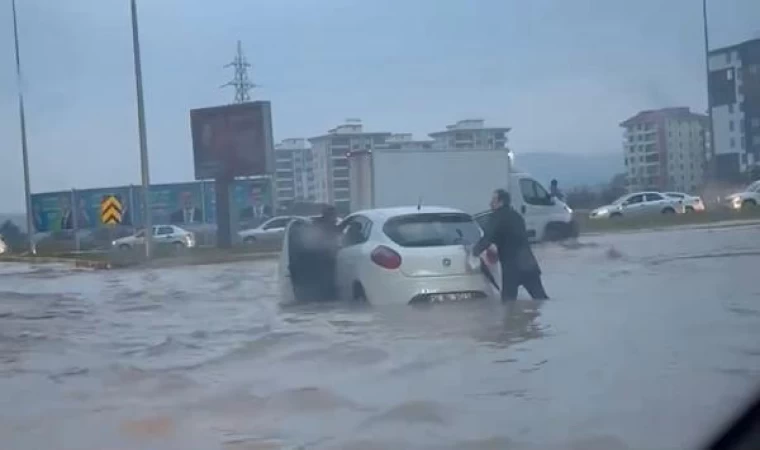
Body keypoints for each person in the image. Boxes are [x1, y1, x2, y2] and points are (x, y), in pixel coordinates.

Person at [472, 189, 549, 301]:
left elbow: (488, 237)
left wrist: (474, 251)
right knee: (541, 299)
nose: (490, 203)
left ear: (501, 202)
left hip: (512, 267)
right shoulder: (516, 215)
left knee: (508, 304)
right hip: (529, 264)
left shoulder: (497, 217)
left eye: (493, 200)